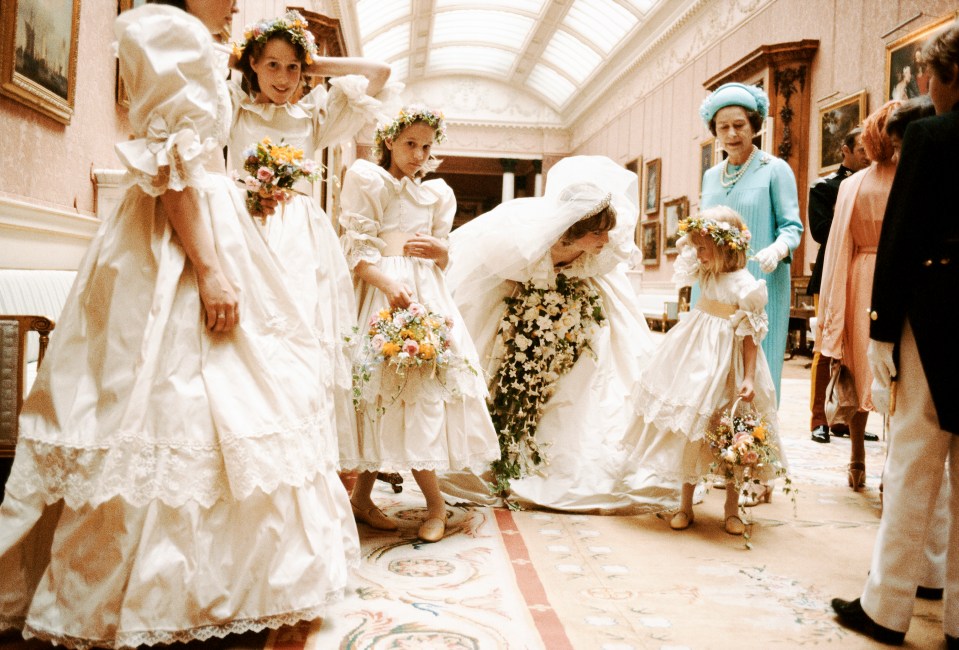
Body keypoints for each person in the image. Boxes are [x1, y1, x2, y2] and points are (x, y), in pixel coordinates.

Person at [0, 1, 361, 647]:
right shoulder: (175, 38)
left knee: (232, 404)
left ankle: (222, 581)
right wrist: (212, 270)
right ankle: (164, 592)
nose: (233, 5)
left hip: (202, 226)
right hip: (182, 241)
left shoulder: (198, 45)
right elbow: (177, 175)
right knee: (173, 402)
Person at [438, 155, 674, 513]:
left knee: (598, 377)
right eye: (597, 232)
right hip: (521, 308)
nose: (606, 239)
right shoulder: (525, 246)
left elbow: (602, 259)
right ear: (571, 230)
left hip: (584, 310)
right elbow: (488, 275)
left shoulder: (600, 254)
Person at [832, 24, 959, 648]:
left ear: (951, 75)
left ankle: (886, 609)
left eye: (932, 77)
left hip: (936, 318)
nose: (928, 89)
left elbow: (903, 240)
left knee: (913, 458)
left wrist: (880, 329)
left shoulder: (933, 137)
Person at [228, 10, 390, 460]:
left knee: (298, 337)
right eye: (272, 65)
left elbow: (379, 74)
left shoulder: (313, 114)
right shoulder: (233, 107)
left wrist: (310, 61)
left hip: (299, 234)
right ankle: (250, 440)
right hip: (244, 221)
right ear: (253, 65)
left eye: (292, 67)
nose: (283, 77)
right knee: (250, 334)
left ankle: (297, 450)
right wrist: (245, 57)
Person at [338, 106, 499, 543]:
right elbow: (355, 252)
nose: (418, 154)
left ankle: (435, 506)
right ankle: (361, 499)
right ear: (390, 141)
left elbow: (444, 257)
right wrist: (388, 284)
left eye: (426, 146)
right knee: (378, 392)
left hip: (425, 294)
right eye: (410, 143)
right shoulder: (369, 181)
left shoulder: (437, 194)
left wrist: (439, 252)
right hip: (384, 292)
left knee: (422, 390)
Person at [621, 206, 785, 536]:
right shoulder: (706, 275)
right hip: (695, 358)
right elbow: (685, 250)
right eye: (697, 247)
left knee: (732, 434)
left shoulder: (746, 285)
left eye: (703, 247)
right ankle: (684, 504)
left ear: (726, 247)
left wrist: (749, 376)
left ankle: (731, 507)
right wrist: (697, 237)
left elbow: (751, 334)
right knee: (691, 431)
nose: (698, 253)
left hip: (730, 363)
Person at [699, 82, 803, 408]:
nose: (731, 134)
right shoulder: (710, 176)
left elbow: (792, 228)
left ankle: (755, 447)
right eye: (723, 127)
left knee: (758, 372)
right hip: (714, 285)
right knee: (711, 370)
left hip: (760, 281)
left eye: (739, 125)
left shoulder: (775, 169)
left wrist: (777, 250)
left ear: (755, 125)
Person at [806, 127, 869, 444]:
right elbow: (819, 231)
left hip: (863, 270)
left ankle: (847, 418)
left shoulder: (876, 186)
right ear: (844, 150)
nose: (867, 155)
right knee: (825, 346)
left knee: (857, 348)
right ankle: (819, 419)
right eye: (861, 149)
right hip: (830, 275)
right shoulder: (824, 188)